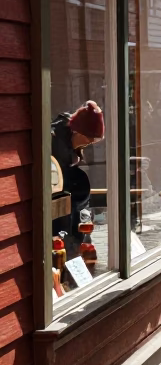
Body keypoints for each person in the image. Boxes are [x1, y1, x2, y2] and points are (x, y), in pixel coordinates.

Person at [51, 100, 105, 256]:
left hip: (72, 205)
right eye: (90, 139)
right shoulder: (56, 147)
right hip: (59, 207)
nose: (90, 143)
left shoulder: (70, 144)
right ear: (78, 132)